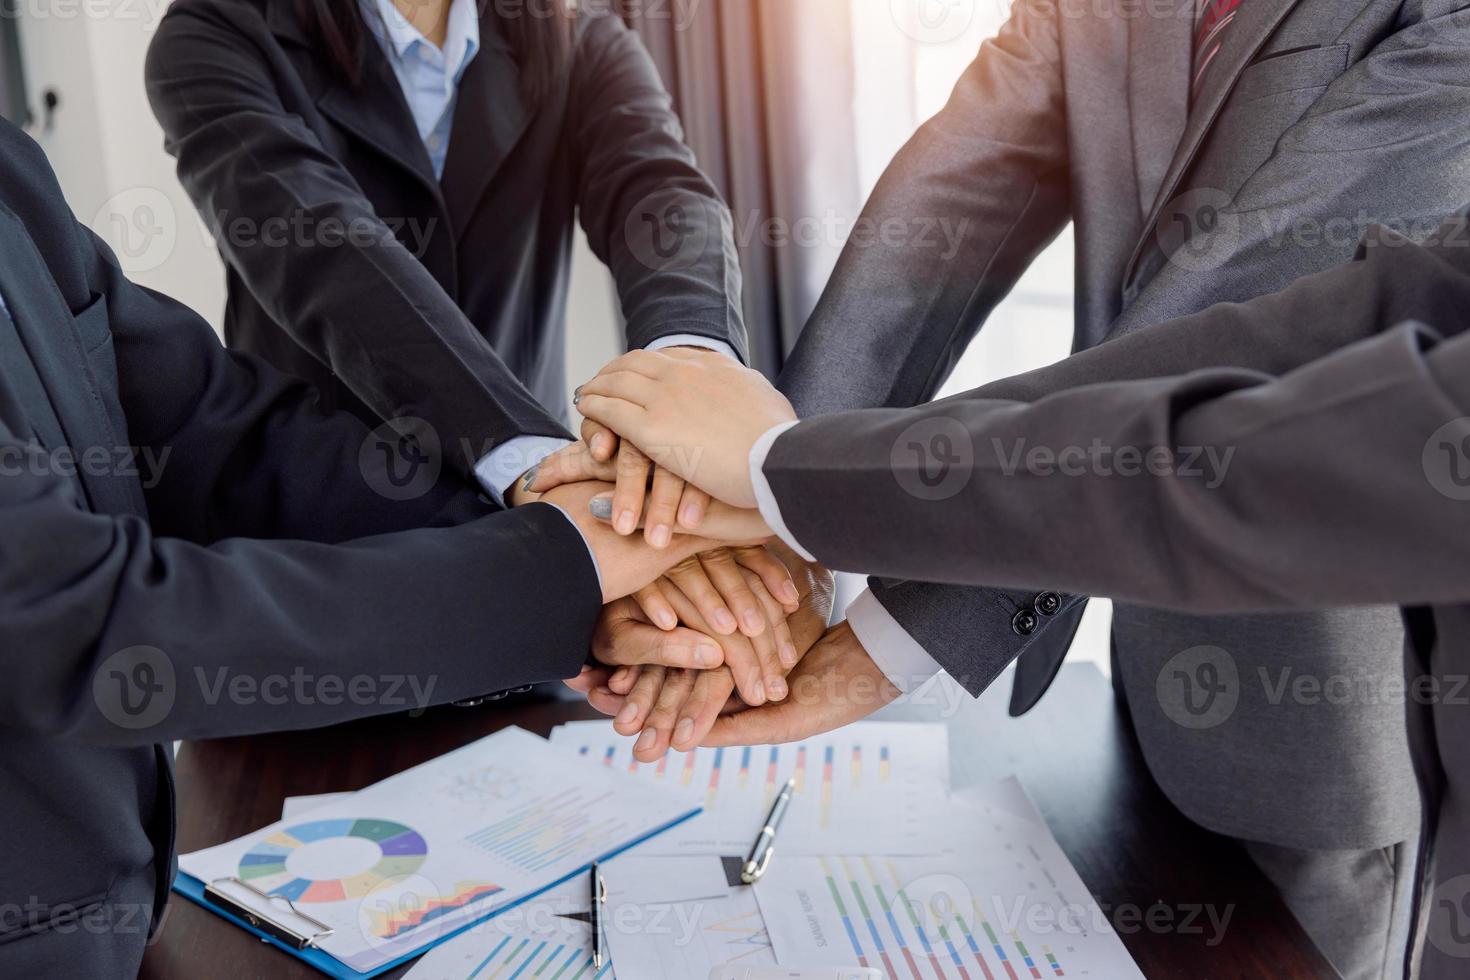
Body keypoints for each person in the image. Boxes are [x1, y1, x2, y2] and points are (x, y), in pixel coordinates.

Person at [579, 1, 1470, 974]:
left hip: (1328, 710)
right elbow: (952, 201)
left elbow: (1241, 313)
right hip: (1153, 673)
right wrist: (775, 556)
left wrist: (809, 516)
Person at [0, 119, 797, 977]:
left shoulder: (10, 168)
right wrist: (564, 564)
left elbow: (204, 427)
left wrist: (584, 553)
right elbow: (77, 619)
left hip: (124, 904)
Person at [143, 0, 805, 711]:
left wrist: (688, 384)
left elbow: (661, 197)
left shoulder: (578, 40)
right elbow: (325, 247)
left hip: (535, 573)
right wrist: (559, 484)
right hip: (313, 580)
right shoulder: (218, 33)